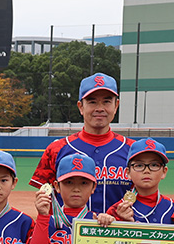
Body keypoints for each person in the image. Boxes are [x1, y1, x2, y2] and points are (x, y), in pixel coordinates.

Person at [29, 73, 133, 213]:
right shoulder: (56, 149)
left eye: (106, 101)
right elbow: (45, 198)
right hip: (67, 227)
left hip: (117, 227)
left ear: (116, 106)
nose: (100, 108)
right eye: (92, 102)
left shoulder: (133, 151)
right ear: (80, 107)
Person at [105, 138, 174, 224]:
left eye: (154, 165)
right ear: (128, 173)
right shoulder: (116, 211)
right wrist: (122, 223)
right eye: (139, 165)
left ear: (164, 172)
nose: (146, 171)